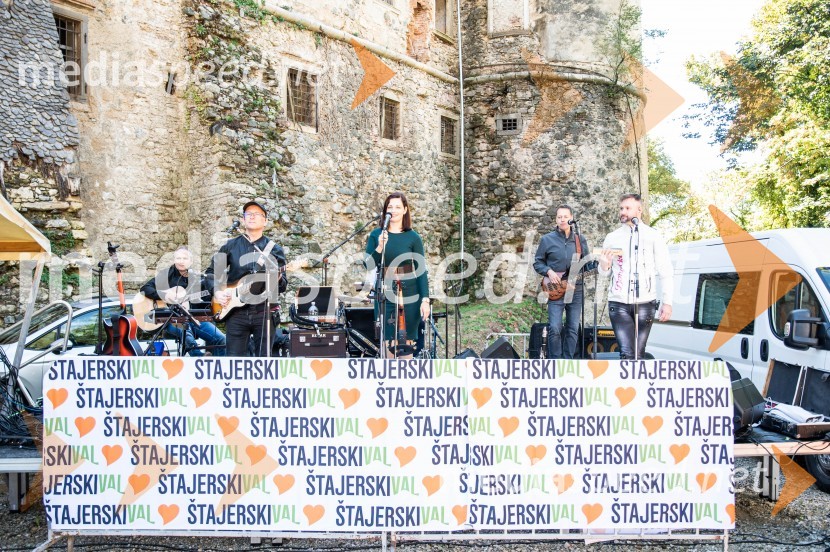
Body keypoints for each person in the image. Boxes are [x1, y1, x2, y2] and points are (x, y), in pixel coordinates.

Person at [205, 200, 287, 356]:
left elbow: (283, 286)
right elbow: (211, 273)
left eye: (257, 214)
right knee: (234, 361)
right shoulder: (230, 246)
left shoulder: (274, 250)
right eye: (248, 214)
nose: (252, 217)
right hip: (235, 313)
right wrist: (217, 292)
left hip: (264, 312)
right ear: (243, 219)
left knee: (264, 361)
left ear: (265, 221)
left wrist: (278, 278)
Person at [599, 193, 673, 360]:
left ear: (639, 210)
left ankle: (634, 386)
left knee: (639, 354)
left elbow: (665, 270)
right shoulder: (612, 237)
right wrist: (604, 264)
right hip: (619, 303)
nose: (623, 212)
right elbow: (603, 273)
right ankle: (626, 386)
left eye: (627, 208)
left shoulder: (653, 236)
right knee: (627, 352)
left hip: (646, 302)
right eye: (621, 208)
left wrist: (667, 302)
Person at [364, 192, 430, 358]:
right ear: (385, 211)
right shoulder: (376, 235)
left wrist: (425, 299)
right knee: (388, 343)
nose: (393, 210)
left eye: (398, 207)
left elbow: (421, 270)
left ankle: (406, 382)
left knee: (406, 345)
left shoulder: (413, 238)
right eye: (390, 207)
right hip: (385, 293)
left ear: (405, 210)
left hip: (409, 294)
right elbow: (369, 264)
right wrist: (379, 246)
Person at [140, 246, 226, 357]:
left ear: (191, 262)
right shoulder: (166, 275)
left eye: (185, 258)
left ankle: (218, 368)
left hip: (193, 318)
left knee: (221, 339)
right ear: (174, 260)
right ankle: (200, 359)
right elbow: (145, 288)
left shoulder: (196, 278)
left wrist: (217, 292)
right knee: (187, 335)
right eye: (178, 258)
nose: (181, 261)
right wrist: (165, 295)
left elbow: (207, 294)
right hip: (171, 319)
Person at [533, 204, 590, 359]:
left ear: (571, 218)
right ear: (556, 219)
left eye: (565, 216)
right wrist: (549, 271)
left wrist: (602, 263)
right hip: (555, 289)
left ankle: (568, 361)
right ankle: (556, 362)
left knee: (572, 328)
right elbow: (537, 263)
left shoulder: (580, 240)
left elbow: (587, 264)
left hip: (576, 290)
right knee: (555, 327)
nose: (562, 219)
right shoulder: (547, 239)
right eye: (559, 217)